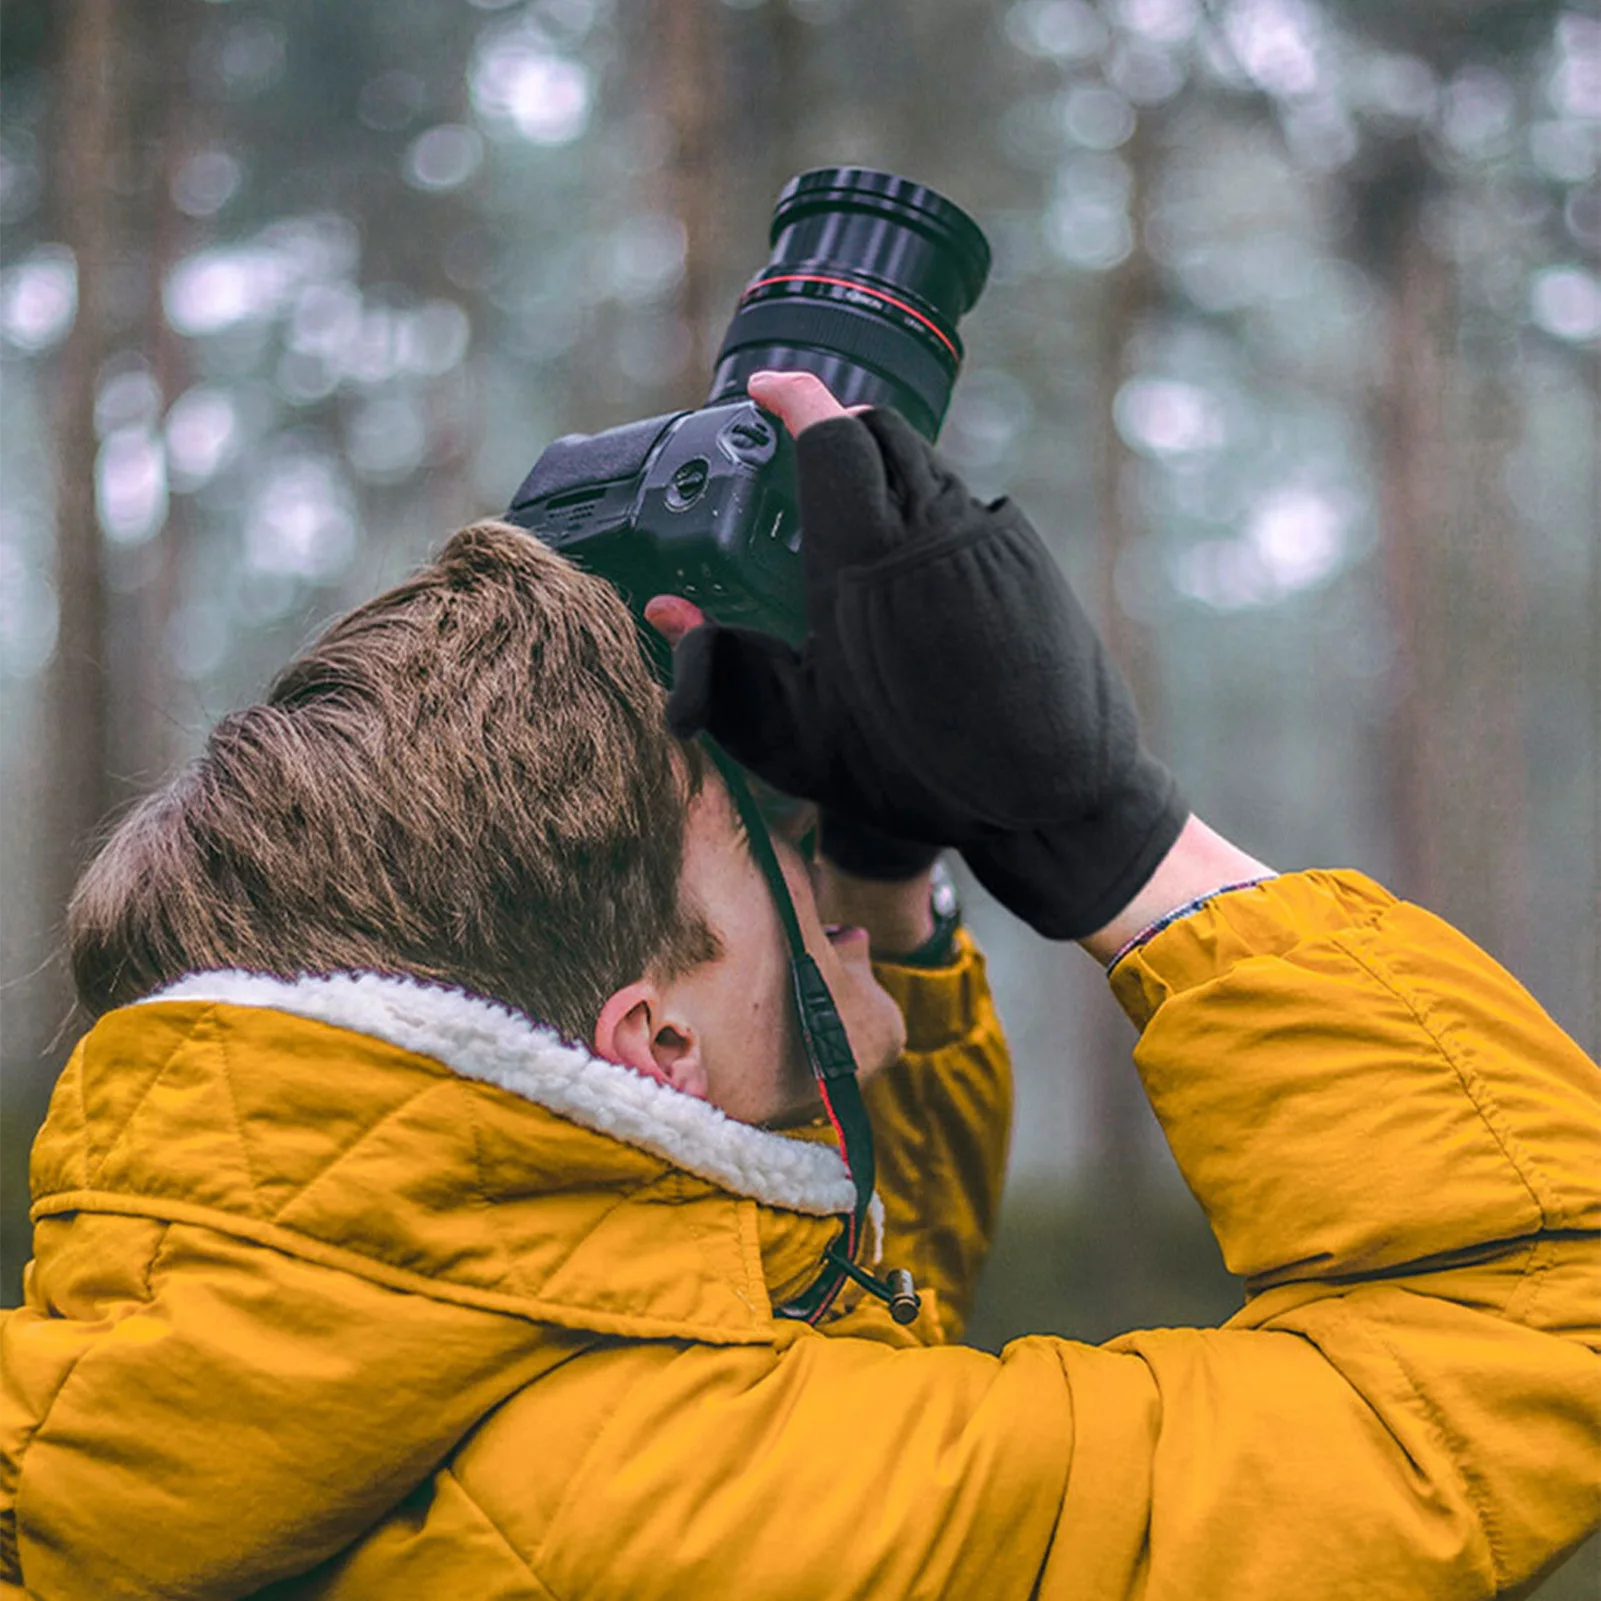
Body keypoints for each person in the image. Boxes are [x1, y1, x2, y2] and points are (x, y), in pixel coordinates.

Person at [1, 370, 1596, 1601]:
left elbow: (836, 1326)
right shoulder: (670, 1518)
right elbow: (1528, 1334)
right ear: (650, 1044)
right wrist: (1113, 842)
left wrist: (893, 874)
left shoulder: (334, 1360)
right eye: (775, 872)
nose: (822, 887)